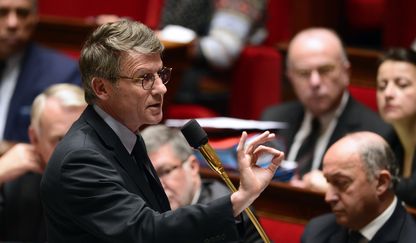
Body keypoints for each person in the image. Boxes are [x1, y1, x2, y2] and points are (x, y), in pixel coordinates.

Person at [40, 19, 283, 243]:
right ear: (102, 88)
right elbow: (147, 231)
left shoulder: (125, 138)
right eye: (144, 78)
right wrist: (239, 199)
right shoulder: (80, 159)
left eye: (160, 74)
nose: (161, 89)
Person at [261, 27, 391, 190]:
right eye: (303, 73)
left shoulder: (374, 133)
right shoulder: (273, 118)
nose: (315, 82)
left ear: (346, 72)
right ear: (290, 78)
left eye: (325, 70)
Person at [301, 131, 416, 243]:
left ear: (381, 183)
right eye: (328, 182)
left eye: (341, 183)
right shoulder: (316, 233)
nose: (329, 197)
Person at [141, 124, 262, 243]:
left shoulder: (230, 209)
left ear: (193, 166)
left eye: (165, 171)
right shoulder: (148, 212)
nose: (159, 186)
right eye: (150, 178)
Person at [0, 83, 86, 241]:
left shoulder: (115, 184)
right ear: (34, 138)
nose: (75, 151)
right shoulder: (16, 184)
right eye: (60, 139)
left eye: (83, 137)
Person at [0, 0, 81, 143]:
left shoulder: (63, 73)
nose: (13, 23)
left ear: (35, 17)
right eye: (2, 12)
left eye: (23, 13)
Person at [376, 48, 416, 211]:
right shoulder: (388, 139)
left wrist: (357, 182)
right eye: (382, 86)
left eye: (402, 85)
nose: (388, 93)